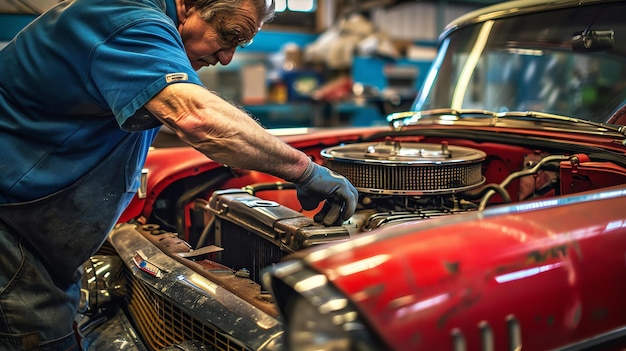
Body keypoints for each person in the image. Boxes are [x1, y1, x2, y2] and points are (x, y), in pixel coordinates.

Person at [0, 0, 359, 349]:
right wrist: (305, 170)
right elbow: (195, 117)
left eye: (239, 44)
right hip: (13, 236)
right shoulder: (130, 21)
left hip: (36, 243)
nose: (226, 57)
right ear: (188, 5)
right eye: (228, 35)